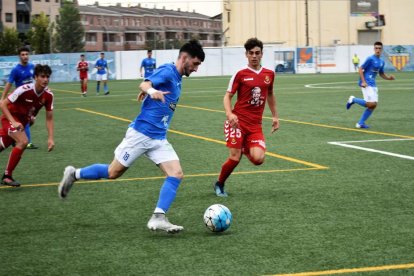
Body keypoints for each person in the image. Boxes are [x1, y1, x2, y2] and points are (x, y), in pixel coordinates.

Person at [58, 39, 205, 233]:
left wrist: (150, 95)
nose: (195, 69)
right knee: (113, 172)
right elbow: (144, 83)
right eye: (195, 64)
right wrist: (151, 91)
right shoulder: (169, 71)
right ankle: (74, 174)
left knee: (176, 173)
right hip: (141, 134)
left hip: (158, 138)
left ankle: (158, 217)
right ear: (184, 58)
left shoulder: (177, 78)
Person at [213, 37, 279, 197]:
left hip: (255, 125)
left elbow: (270, 94)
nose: (254, 56)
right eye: (251, 53)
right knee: (235, 158)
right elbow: (227, 96)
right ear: (246, 54)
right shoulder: (240, 74)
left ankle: (244, 147)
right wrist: (229, 114)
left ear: (262, 54)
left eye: (257, 53)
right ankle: (219, 184)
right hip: (237, 123)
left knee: (258, 159)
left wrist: (275, 116)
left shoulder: (269, 74)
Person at [0, 64, 55, 187]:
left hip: (21, 124)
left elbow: (49, 119)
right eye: (42, 76)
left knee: (1, 145)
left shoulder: (49, 95)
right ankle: (7, 176)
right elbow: (3, 104)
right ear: (35, 77)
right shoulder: (24, 89)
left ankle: (7, 175)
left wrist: (50, 138)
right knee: (23, 141)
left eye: (47, 77)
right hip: (9, 118)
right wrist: (13, 122)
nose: (45, 79)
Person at [346, 41, 395, 129]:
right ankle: (353, 99)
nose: (378, 50)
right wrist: (363, 82)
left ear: (382, 49)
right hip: (366, 83)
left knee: (373, 105)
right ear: (374, 49)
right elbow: (361, 69)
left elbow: (381, 73)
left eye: (379, 48)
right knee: (371, 104)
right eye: (376, 48)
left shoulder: (381, 62)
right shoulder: (370, 58)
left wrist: (388, 78)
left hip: (373, 84)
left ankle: (360, 123)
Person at [1, 46, 38, 149]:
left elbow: (36, 80)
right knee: (26, 119)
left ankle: (14, 137)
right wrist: (3, 97)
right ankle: (27, 142)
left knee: (31, 120)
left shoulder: (32, 67)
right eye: (23, 55)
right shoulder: (16, 70)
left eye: (26, 54)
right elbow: (9, 83)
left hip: (30, 100)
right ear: (19, 56)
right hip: (19, 100)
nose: (25, 56)